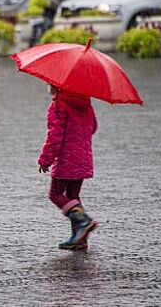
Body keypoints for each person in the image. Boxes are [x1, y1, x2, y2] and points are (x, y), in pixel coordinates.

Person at [38, 85, 98, 250]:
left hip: (66, 159)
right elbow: (93, 127)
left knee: (56, 194)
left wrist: (45, 159)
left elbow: (55, 136)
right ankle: (80, 238)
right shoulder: (85, 102)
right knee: (73, 196)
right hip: (83, 158)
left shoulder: (59, 105)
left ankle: (83, 221)